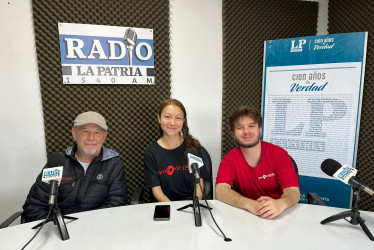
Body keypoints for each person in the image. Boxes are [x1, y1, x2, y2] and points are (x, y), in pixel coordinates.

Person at [22, 111, 127, 222]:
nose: (91, 137)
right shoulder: (57, 163)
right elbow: (34, 206)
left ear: (104, 137)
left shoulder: (114, 165)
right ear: (74, 134)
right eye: (85, 132)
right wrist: (56, 226)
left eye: (97, 132)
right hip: (59, 229)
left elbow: (116, 204)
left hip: (96, 227)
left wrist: (87, 225)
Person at [215, 106, 299, 219]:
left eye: (251, 126)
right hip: (248, 216)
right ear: (233, 133)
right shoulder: (229, 160)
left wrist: (281, 203)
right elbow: (220, 191)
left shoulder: (279, 154)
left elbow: (293, 191)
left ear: (259, 128)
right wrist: (251, 205)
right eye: (240, 127)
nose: (246, 131)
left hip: (281, 215)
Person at [144, 99, 208, 202]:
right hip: (166, 206)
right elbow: (156, 190)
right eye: (167, 117)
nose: (172, 123)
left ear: (183, 121)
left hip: (191, 204)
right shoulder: (150, 153)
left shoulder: (193, 148)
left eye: (178, 118)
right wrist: (172, 210)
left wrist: (195, 207)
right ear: (159, 118)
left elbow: (198, 184)